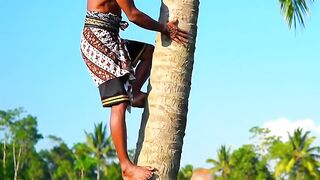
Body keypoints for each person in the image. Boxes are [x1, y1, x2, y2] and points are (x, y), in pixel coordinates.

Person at [80, 0, 189, 179]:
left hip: (111, 37)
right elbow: (133, 15)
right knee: (119, 105)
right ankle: (126, 167)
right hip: (98, 42)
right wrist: (164, 28)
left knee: (148, 52)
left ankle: (135, 92)